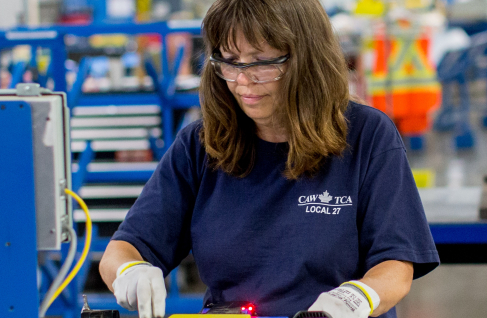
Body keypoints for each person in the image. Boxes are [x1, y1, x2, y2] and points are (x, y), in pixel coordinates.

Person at [98, 1, 439, 317]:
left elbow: (397, 266)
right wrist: (131, 272)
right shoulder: (202, 145)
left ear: (307, 58)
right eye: (230, 61)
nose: (243, 80)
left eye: (262, 62)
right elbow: (122, 250)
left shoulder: (366, 136)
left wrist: (354, 299)